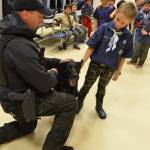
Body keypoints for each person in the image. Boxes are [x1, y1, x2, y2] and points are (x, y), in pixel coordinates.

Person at [0, 0, 77, 150]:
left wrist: (57, 61)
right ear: (25, 14)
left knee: (29, 126)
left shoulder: (9, 32)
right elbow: (45, 83)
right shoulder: (18, 44)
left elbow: (31, 62)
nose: (42, 21)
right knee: (70, 102)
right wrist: (56, 71)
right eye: (40, 16)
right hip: (19, 101)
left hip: (10, 94)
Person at [77, 2, 137, 119]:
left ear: (130, 22)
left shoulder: (128, 36)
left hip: (110, 68)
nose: (118, 24)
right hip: (95, 64)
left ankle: (99, 105)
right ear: (116, 13)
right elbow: (92, 46)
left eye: (123, 22)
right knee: (86, 85)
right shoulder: (104, 28)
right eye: (117, 19)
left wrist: (118, 71)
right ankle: (80, 100)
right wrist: (82, 62)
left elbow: (123, 55)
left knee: (102, 88)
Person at [127, 0, 150, 68]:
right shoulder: (139, 13)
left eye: (149, 6)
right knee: (136, 46)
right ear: (143, 6)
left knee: (144, 50)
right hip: (138, 32)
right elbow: (135, 22)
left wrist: (147, 32)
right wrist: (140, 27)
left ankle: (140, 63)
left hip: (147, 35)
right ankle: (133, 60)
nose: (147, 7)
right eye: (145, 5)